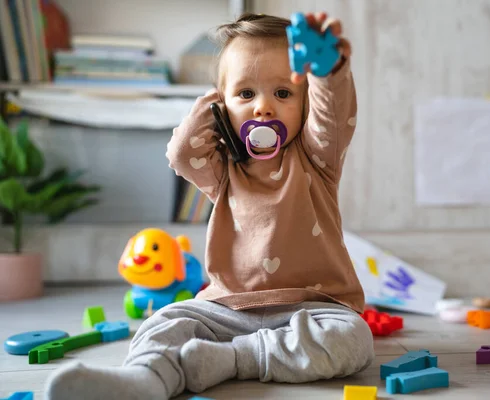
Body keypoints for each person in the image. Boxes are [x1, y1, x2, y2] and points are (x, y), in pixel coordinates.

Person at [45, 11, 374, 400]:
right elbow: (182, 153)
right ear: (224, 104)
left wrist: (327, 70)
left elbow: (333, 114)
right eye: (246, 94)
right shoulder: (223, 170)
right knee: (165, 321)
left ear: (305, 104)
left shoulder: (318, 158)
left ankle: (233, 360)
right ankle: (147, 378)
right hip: (227, 308)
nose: (263, 108)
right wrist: (215, 104)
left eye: (283, 93)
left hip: (311, 307)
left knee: (354, 338)